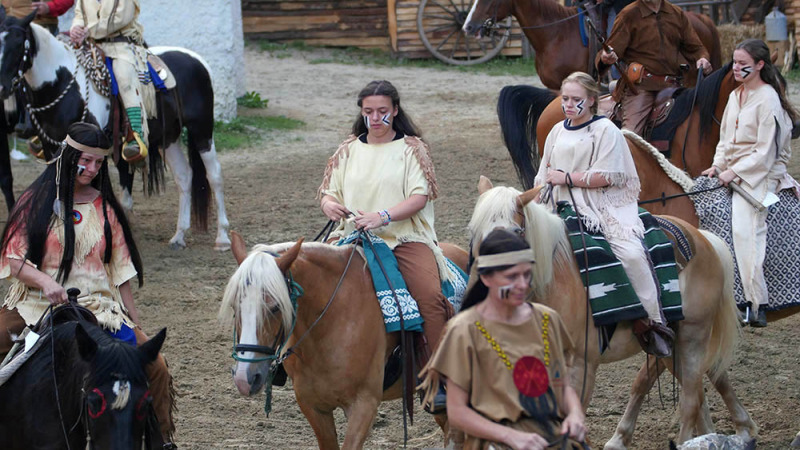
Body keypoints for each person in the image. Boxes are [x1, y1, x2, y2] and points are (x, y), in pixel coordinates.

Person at [0, 122, 176, 448]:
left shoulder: (106, 208)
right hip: (34, 303)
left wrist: (135, 323)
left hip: (101, 307)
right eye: (86, 160)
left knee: (157, 367)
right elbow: (12, 259)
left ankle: (160, 441)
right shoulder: (34, 201)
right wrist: (46, 283)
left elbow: (121, 273)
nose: (93, 169)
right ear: (69, 157)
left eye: (99, 162)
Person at [535, 71, 673, 357]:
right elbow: (543, 173)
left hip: (598, 204)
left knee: (631, 254)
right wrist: (537, 197)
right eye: (565, 99)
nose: (569, 105)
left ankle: (651, 322)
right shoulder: (556, 131)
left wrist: (567, 178)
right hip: (556, 201)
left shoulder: (606, 130)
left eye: (575, 99)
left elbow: (610, 175)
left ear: (591, 100)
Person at [317, 80, 453, 367]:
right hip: (350, 236)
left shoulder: (411, 149)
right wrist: (328, 204)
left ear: (395, 110)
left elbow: (419, 197)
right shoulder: (348, 150)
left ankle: (440, 373)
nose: (375, 118)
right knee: (308, 284)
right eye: (369, 111)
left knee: (429, 298)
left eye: (382, 111)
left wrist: (382, 216)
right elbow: (329, 192)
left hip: (403, 237)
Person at [418, 229, 587, 449]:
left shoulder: (548, 319)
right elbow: (457, 413)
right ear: (486, 278)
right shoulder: (463, 330)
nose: (523, 284)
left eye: (527, 274)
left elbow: (562, 386)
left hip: (550, 438)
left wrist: (575, 414)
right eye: (511, 277)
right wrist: (510, 436)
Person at [701, 39, 799, 328]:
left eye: (743, 63)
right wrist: (717, 165)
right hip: (731, 170)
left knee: (745, 230)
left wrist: (734, 172)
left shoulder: (768, 99)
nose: (736, 68)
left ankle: (755, 303)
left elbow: (765, 153)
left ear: (759, 65)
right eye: (734, 62)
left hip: (762, 175)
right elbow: (724, 141)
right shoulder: (735, 96)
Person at [596, 0, 712, 135]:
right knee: (631, 135)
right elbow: (610, 50)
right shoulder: (628, 14)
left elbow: (696, 48)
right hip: (641, 87)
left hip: (674, 86)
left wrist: (702, 58)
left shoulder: (675, 13)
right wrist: (605, 57)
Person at [69, 0, 150, 164]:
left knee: (124, 79)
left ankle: (135, 135)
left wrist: (88, 30)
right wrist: (75, 28)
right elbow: (79, 15)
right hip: (90, 47)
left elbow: (119, 19)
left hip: (120, 47)